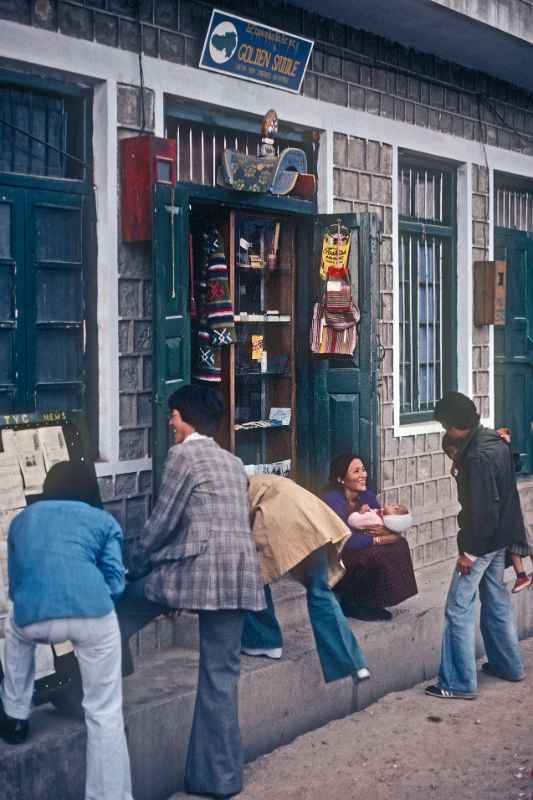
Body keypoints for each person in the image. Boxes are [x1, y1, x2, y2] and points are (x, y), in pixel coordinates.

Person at [116, 384, 265, 800]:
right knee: (221, 678)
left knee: (119, 611)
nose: (170, 423)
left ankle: (91, 682)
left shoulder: (183, 456)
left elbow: (163, 522)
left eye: (174, 416)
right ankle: (220, 779)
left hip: (197, 570)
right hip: (238, 573)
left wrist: (135, 565)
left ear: (187, 419)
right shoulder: (234, 462)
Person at [0, 461, 132, 800]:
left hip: (34, 616)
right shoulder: (103, 521)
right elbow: (116, 583)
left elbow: (15, 584)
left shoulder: (21, 521)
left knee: (15, 635)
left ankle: (15, 715)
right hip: (93, 615)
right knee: (104, 712)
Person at [426, 391, 525, 700]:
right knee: (496, 600)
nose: (445, 432)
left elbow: (482, 510)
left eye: (445, 426)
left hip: (481, 542)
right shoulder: (495, 442)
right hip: (499, 539)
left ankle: (458, 683)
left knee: (458, 608)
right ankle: (508, 666)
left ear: (455, 426)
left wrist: (469, 553)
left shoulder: (477, 456)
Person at [241, 474, 370, 683]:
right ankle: (353, 663)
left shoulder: (236, 487)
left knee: (253, 574)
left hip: (278, 516)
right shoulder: (262, 478)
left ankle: (264, 641)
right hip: (311, 518)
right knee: (320, 590)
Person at [322, 454, 418, 621]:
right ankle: (352, 603)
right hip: (335, 553)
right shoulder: (333, 500)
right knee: (374, 555)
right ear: (341, 478)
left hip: (359, 544)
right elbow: (343, 539)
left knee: (399, 545)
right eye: (356, 471)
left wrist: (389, 534)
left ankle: (376, 600)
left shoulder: (366, 495)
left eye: (364, 470)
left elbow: (382, 522)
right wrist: (379, 539)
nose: (363, 475)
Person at [443, 430, 533, 594]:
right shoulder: (472, 460)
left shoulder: (479, 460)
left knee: (460, 598)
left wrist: (470, 553)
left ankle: (521, 575)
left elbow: (484, 510)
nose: (453, 457)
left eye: (453, 453)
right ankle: (521, 575)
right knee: (495, 590)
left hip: (485, 537)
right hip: (496, 533)